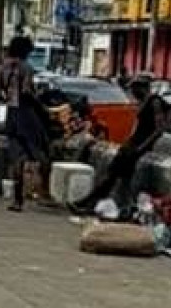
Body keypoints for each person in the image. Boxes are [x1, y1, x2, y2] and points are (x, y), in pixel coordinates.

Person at [70, 72, 164, 214]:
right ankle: (93, 204)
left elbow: (159, 129)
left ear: (142, 88)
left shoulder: (155, 102)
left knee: (111, 176)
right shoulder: (143, 102)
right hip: (131, 145)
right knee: (116, 177)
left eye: (134, 89)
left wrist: (141, 148)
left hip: (137, 147)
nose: (132, 92)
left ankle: (88, 203)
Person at [0, 34, 50, 212]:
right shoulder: (25, 68)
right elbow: (27, 92)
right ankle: (45, 193)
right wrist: (42, 108)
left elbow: (0, 93)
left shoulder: (2, 68)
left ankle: (17, 200)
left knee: (17, 158)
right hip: (26, 114)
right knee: (40, 151)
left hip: (11, 114)